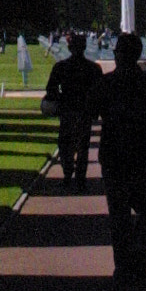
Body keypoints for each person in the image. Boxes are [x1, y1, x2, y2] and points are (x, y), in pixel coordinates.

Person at [88, 31, 146, 283]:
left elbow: (91, 113)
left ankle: (123, 263)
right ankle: (138, 251)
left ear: (118, 55)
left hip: (115, 158)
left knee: (119, 215)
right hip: (144, 157)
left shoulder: (106, 83)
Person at [41, 30, 103, 188]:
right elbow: (99, 92)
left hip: (68, 110)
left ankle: (68, 173)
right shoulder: (93, 69)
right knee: (82, 145)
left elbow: (51, 90)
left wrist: (59, 100)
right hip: (83, 110)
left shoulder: (62, 67)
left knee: (66, 144)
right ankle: (80, 177)